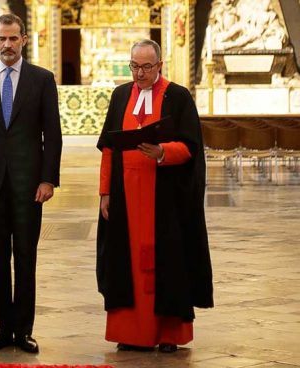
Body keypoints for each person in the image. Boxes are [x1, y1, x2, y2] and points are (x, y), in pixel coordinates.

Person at [96, 39, 213, 353]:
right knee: (125, 264)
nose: (139, 73)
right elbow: (108, 147)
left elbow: (191, 148)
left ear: (160, 65)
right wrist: (105, 192)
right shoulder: (120, 95)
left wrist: (162, 152)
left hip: (164, 200)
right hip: (124, 198)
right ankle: (130, 332)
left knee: (166, 264)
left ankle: (167, 333)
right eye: (134, 66)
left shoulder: (177, 97)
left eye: (147, 67)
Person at [0, 14, 62, 354]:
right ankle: (3, 326)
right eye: (1, 38)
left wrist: (49, 178)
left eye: (13, 38)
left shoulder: (42, 80)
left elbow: (53, 133)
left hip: (29, 183)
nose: (7, 44)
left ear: (24, 40)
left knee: (25, 255)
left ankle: (24, 329)